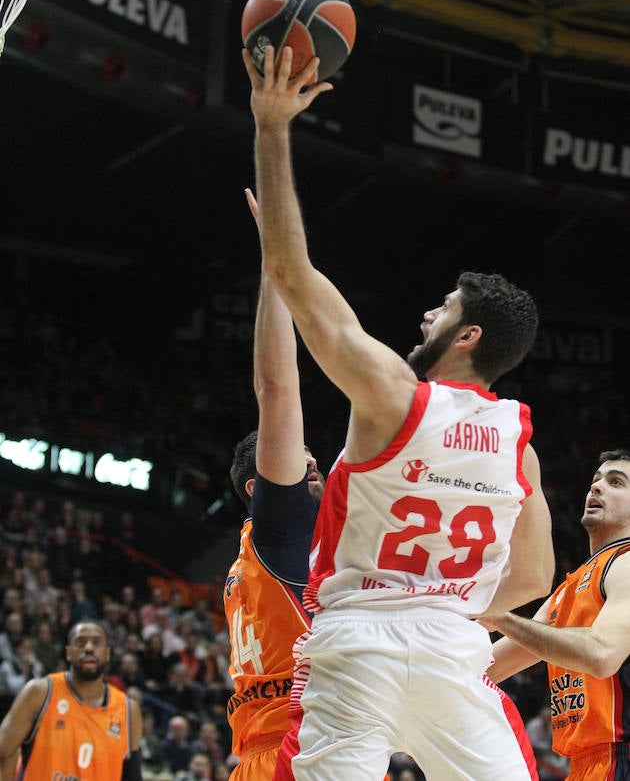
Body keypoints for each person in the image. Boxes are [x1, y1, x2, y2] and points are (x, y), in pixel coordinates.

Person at [241, 44, 555, 781]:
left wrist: (272, 127)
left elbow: (291, 275)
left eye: (442, 308)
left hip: (357, 639)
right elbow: (533, 575)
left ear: (468, 335)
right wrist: (444, 605)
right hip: (452, 646)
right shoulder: (519, 440)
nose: (425, 315)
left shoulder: (392, 392)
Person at [223, 197, 324, 781]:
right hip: (305, 749)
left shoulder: (252, 556)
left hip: (264, 751)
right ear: (256, 484)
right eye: (300, 462)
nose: (311, 468)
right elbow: (277, 390)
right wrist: (276, 261)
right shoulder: (279, 527)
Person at [483, 448, 630, 780]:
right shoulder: (568, 590)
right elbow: (488, 667)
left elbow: (601, 654)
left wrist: (497, 616)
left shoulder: (627, 563)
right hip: (584, 765)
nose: (597, 487)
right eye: (596, 480)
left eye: (616, 482)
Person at [0, 620, 143, 780]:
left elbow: (132, 776)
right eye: (80, 642)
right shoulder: (40, 693)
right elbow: (4, 753)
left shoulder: (128, 709)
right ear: (68, 652)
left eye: (96, 643)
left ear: (107, 653)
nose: (89, 648)